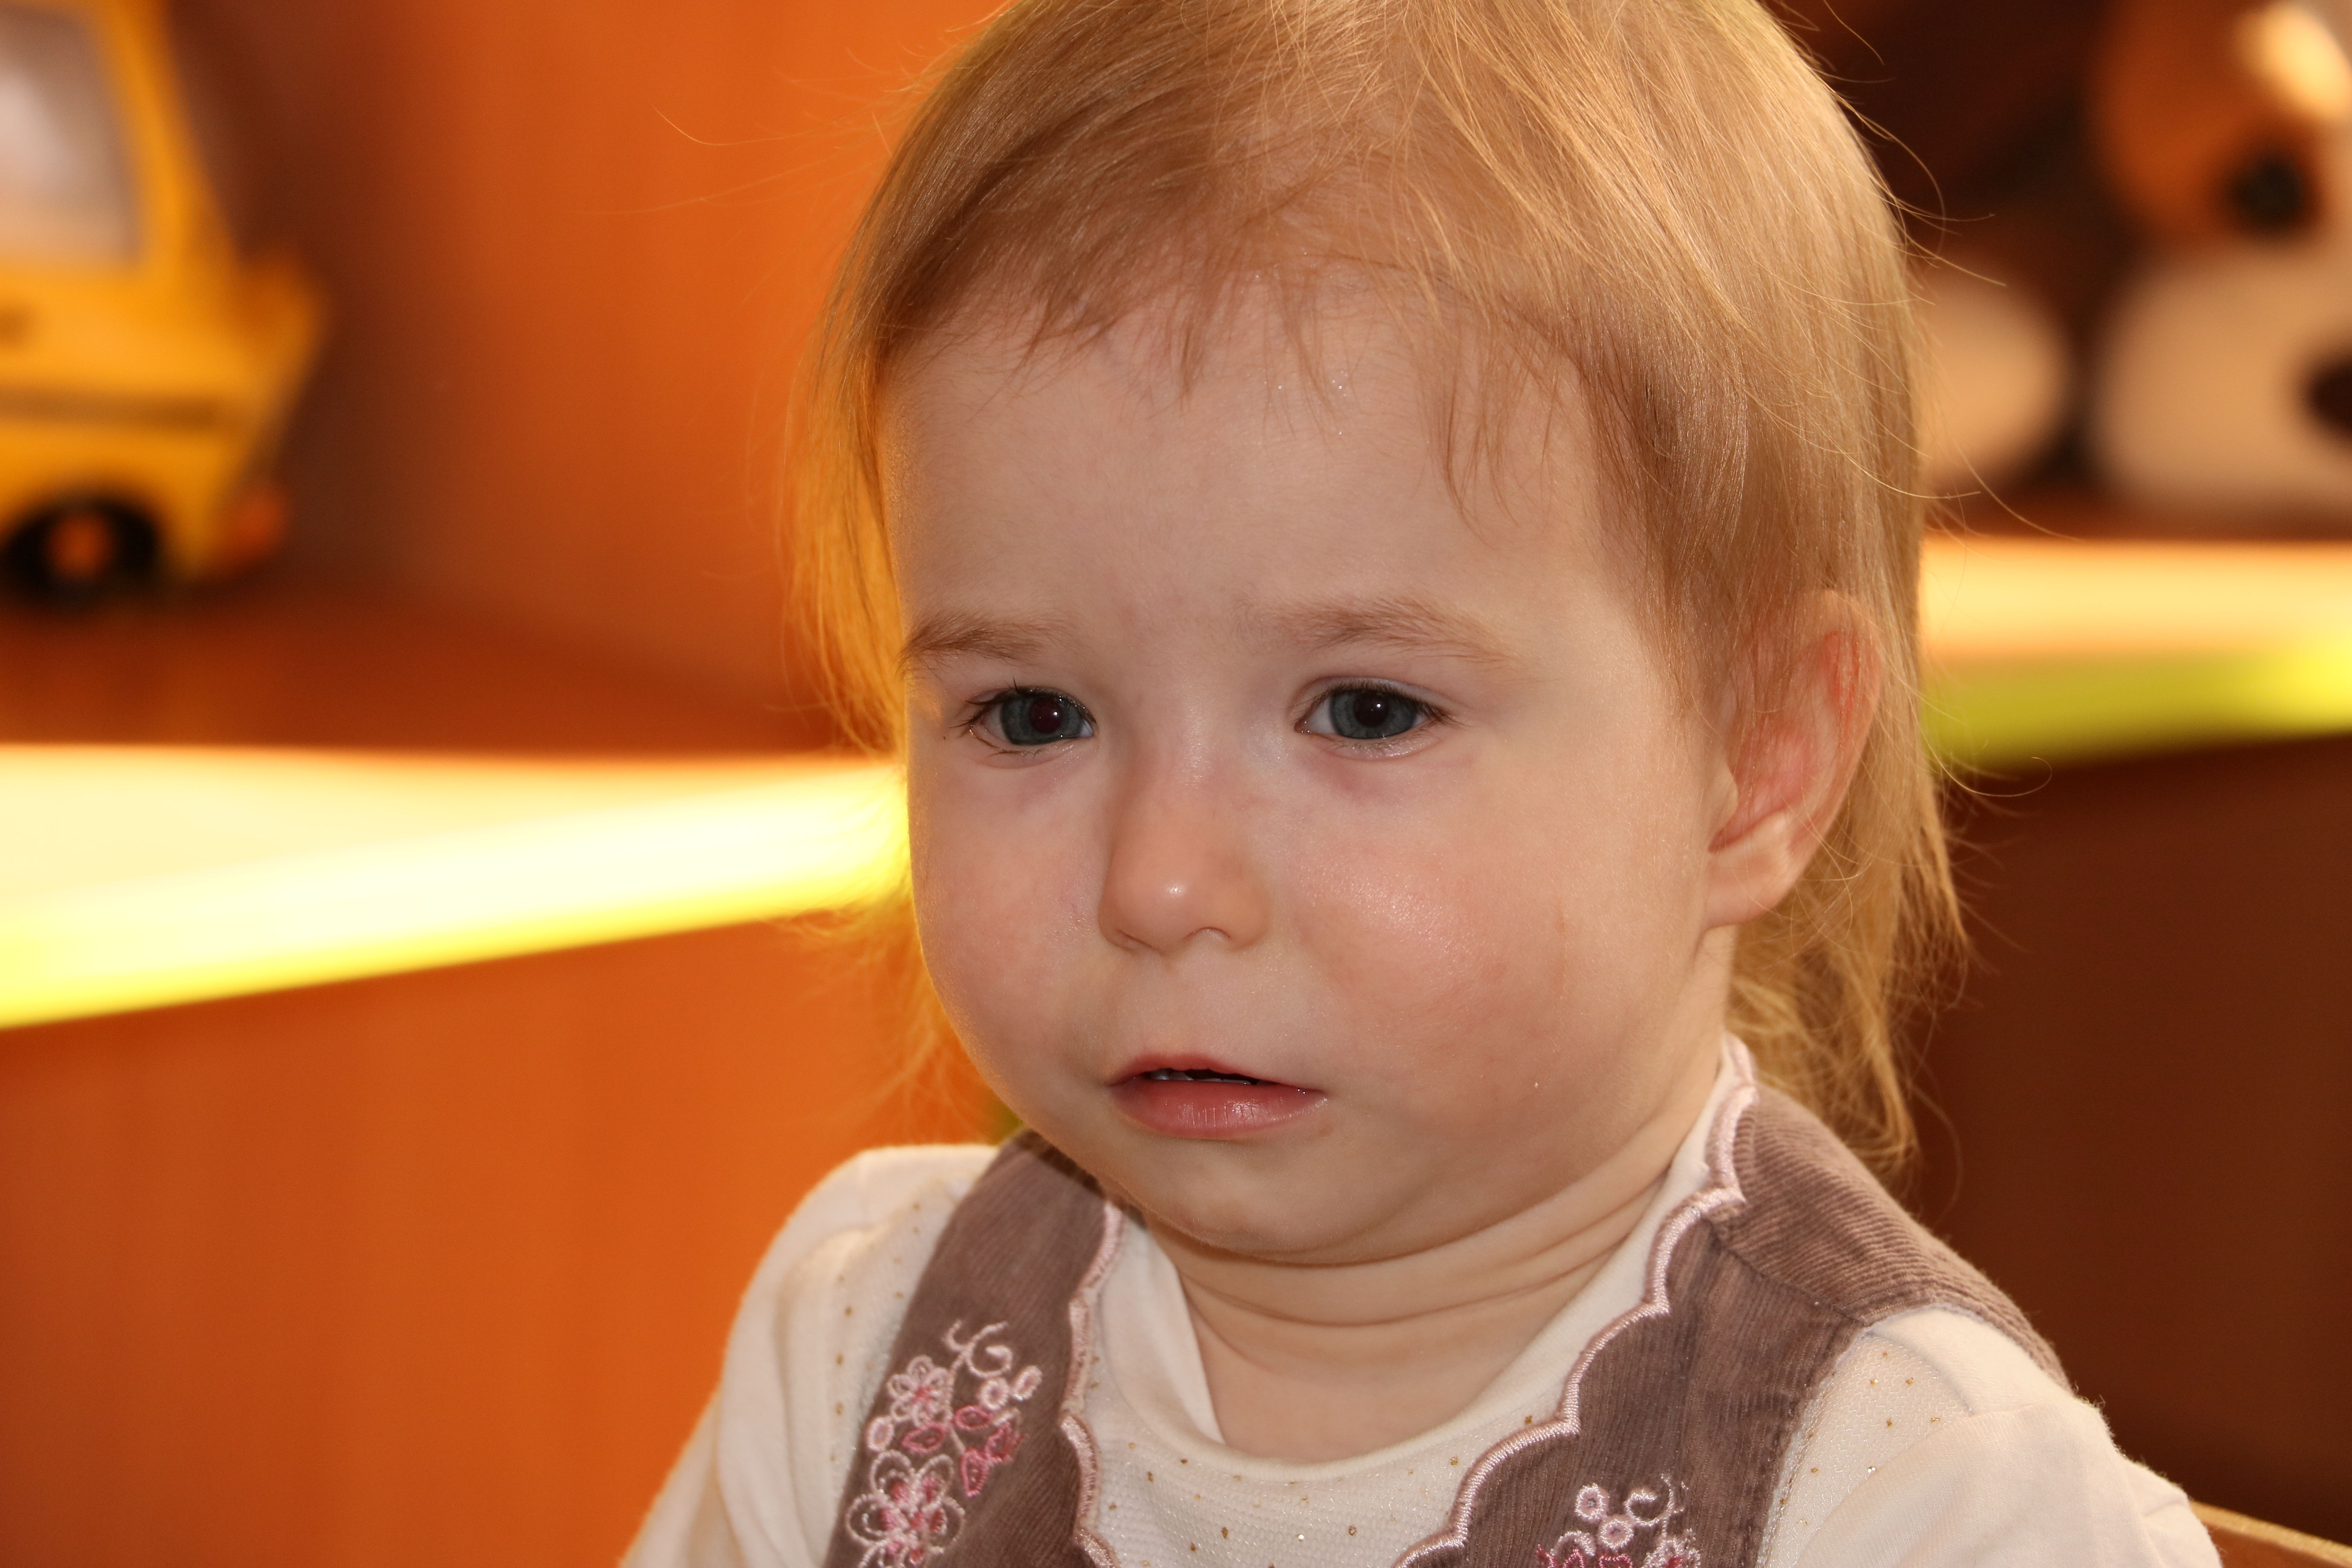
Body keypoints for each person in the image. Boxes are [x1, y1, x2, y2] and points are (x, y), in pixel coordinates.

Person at [628, 1, 2217, 1563]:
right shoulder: (858, 1346)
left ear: (1757, 762)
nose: (1160, 882)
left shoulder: (1917, 1497)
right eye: (1033, 714)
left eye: (1365, 710)